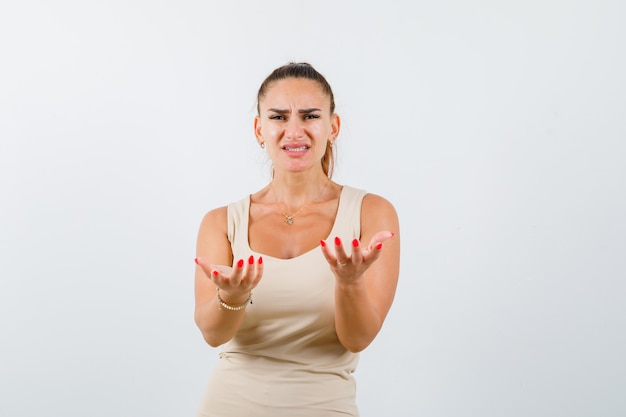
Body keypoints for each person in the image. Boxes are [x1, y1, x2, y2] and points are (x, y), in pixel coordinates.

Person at [193, 62, 400, 416]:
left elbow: (358, 338)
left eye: (309, 116)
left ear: (332, 126)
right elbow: (213, 334)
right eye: (278, 117)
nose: (294, 131)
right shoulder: (221, 222)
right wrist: (232, 296)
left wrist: (349, 283)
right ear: (259, 129)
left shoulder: (371, 213)